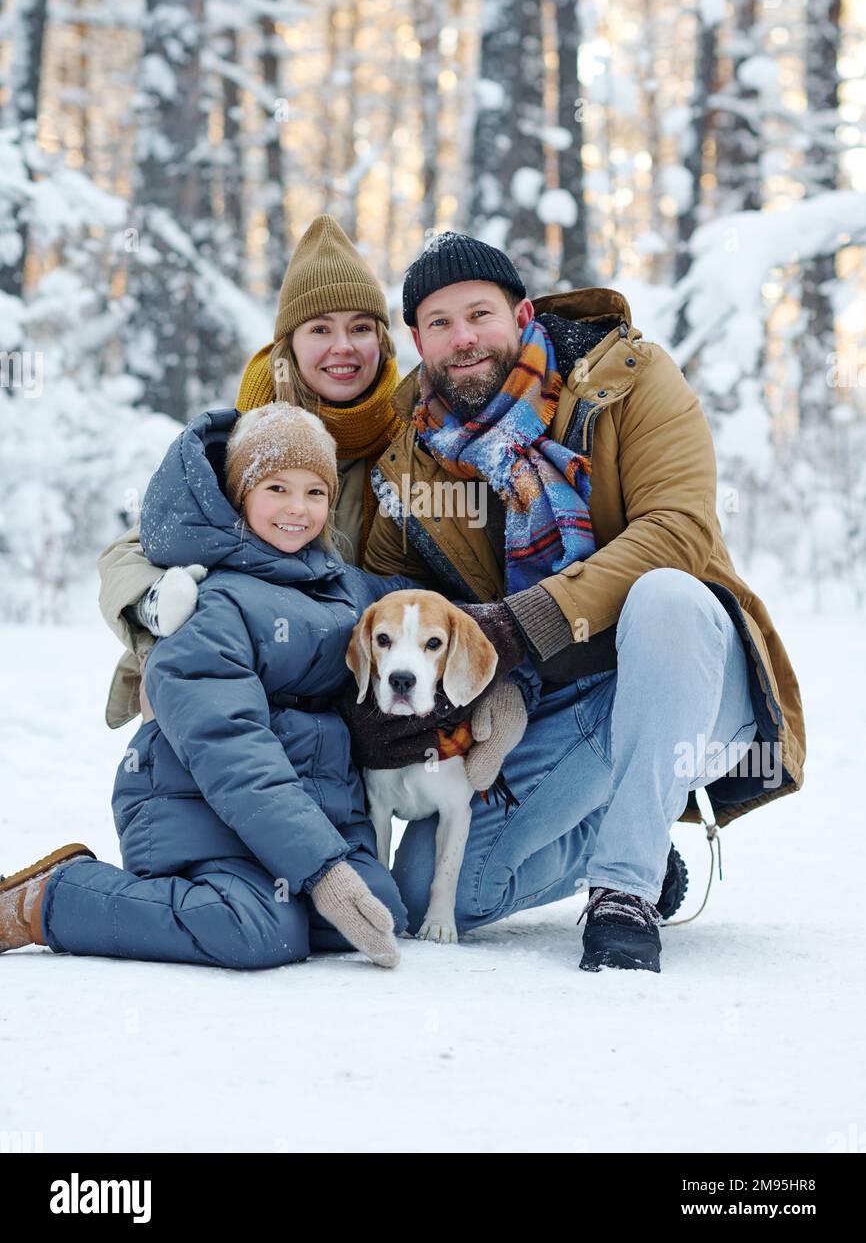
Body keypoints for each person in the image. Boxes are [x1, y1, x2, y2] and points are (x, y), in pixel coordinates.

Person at [353, 232, 807, 973]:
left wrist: (524, 623)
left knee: (665, 596)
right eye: (440, 323)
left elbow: (678, 530)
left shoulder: (632, 378)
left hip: (690, 675)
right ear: (418, 340)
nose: (463, 338)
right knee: (429, 890)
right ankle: (627, 833)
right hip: (560, 702)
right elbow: (388, 591)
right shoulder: (412, 457)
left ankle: (625, 889)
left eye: (480, 314)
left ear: (522, 314)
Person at [0, 404, 417, 969]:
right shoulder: (214, 602)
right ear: (241, 495)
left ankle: (289, 876)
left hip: (302, 815)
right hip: (199, 806)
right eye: (276, 488)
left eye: (315, 492)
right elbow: (230, 747)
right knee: (257, 930)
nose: (298, 508)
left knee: (378, 908)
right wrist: (322, 869)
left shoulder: (345, 588)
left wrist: (512, 634)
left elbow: (432, 612)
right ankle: (51, 899)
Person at [96, 214, 405, 734]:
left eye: (360, 328)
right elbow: (134, 551)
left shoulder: (410, 440)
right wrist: (163, 615)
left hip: (353, 676)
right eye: (320, 329)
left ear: (383, 341)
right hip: (244, 673)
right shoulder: (246, 439)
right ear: (290, 345)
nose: (343, 346)